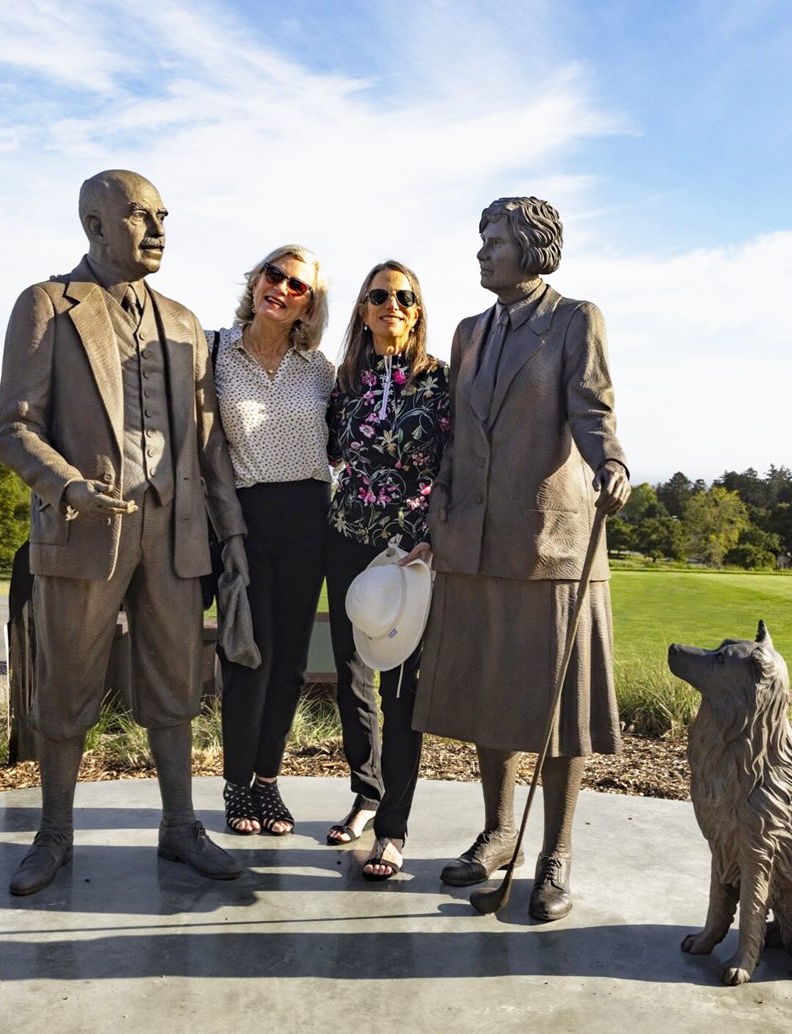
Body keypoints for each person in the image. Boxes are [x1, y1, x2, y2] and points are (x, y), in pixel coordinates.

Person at [0, 169, 249, 896]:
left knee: (176, 687)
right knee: (66, 689)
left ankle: (180, 827)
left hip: (175, 536)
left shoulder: (183, 321)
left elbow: (208, 445)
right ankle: (54, 835)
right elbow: (14, 427)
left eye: (165, 216)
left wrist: (230, 538)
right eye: (142, 216)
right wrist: (68, 484)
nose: (160, 230)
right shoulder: (47, 305)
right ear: (96, 225)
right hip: (81, 533)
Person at [412, 197, 631, 920]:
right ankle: (500, 831)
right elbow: (455, 436)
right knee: (488, 698)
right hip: (472, 541)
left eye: (494, 239)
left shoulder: (575, 320)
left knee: (557, 713)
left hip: (552, 544)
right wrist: (439, 504)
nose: (481, 251)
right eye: (481, 237)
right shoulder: (469, 332)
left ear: (533, 249)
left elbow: (593, 408)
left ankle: (556, 852)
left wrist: (613, 465)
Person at [324, 260, 450, 879]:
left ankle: (393, 830)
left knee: (401, 694)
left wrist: (432, 535)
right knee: (352, 683)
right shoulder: (345, 381)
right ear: (364, 308)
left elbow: (454, 465)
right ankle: (365, 793)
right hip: (346, 540)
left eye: (403, 296)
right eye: (379, 295)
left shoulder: (440, 382)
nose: (391, 304)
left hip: (408, 553)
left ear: (418, 309)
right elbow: (327, 453)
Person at [209, 246, 333, 837]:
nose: (281, 287)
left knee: (289, 663)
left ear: (310, 305)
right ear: (256, 280)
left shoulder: (320, 370)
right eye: (273, 275)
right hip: (247, 516)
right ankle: (236, 784)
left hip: (310, 515)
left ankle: (266, 783)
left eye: (297, 285)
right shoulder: (212, 354)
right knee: (248, 656)